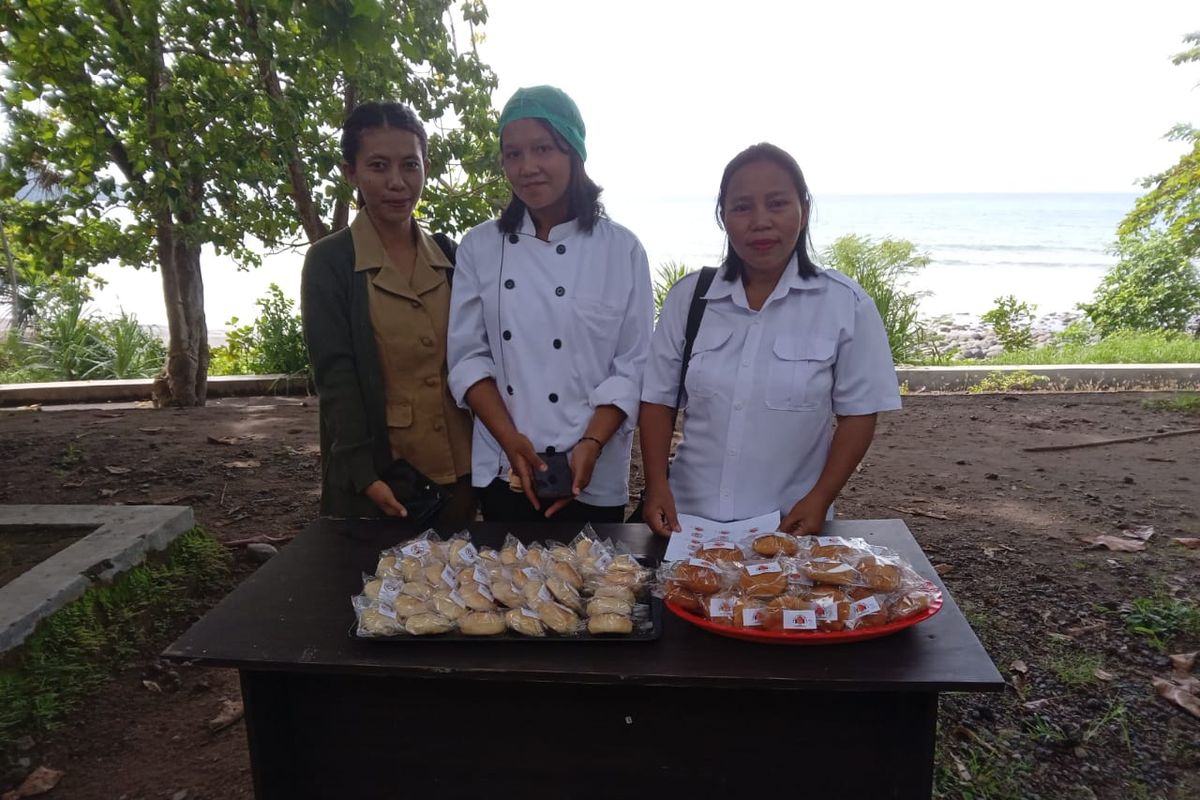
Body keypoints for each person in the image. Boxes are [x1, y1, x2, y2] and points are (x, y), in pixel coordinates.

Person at [639, 143, 901, 536]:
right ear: (722, 216)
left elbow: (859, 414)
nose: (760, 221)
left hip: (789, 526)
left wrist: (821, 498)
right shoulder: (689, 299)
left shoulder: (845, 304)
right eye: (742, 207)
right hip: (686, 525)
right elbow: (658, 400)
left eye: (777, 204)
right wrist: (658, 485)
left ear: (804, 210)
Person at [448, 85, 653, 524]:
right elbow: (467, 359)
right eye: (513, 154)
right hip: (506, 467)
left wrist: (591, 444)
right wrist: (510, 442)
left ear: (574, 153)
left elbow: (633, 366)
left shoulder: (623, 249)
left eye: (542, 149)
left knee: (596, 592)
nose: (527, 167)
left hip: (592, 472)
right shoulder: (479, 247)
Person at [301, 101, 475, 529]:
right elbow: (336, 376)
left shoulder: (450, 255)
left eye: (409, 166)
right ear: (351, 173)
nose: (397, 182)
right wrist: (364, 473)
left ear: (426, 168)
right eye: (378, 166)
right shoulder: (331, 261)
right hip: (386, 477)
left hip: (461, 471)